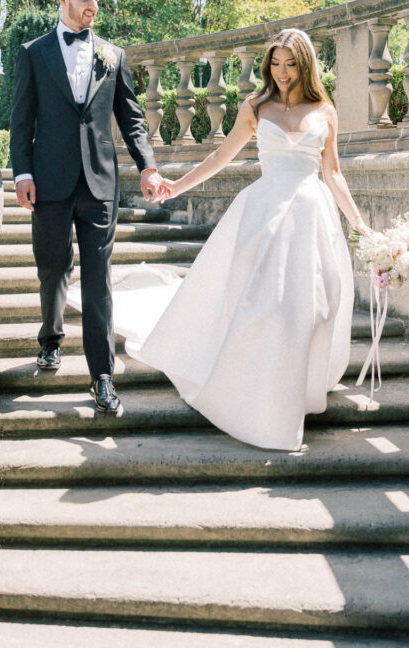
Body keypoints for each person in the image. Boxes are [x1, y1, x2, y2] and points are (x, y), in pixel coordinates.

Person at [103, 27, 372, 451]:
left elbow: (333, 173)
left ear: (306, 65)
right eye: (276, 64)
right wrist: (178, 186)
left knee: (321, 306)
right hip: (264, 214)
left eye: (291, 64)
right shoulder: (256, 106)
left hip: (313, 217)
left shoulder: (326, 110)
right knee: (267, 308)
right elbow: (220, 155)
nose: (282, 72)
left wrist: (361, 227)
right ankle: (262, 402)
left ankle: (299, 390)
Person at [9, 0, 168, 414]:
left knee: (99, 278)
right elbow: (21, 121)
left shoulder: (113, 55)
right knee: (53, 266)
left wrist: (148, 166)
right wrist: (22, 174)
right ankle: (51, 337)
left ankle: (102, 376)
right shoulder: (34, 53)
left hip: (100, 183)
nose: (92, 5)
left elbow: (132, 118)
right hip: (49, 181)